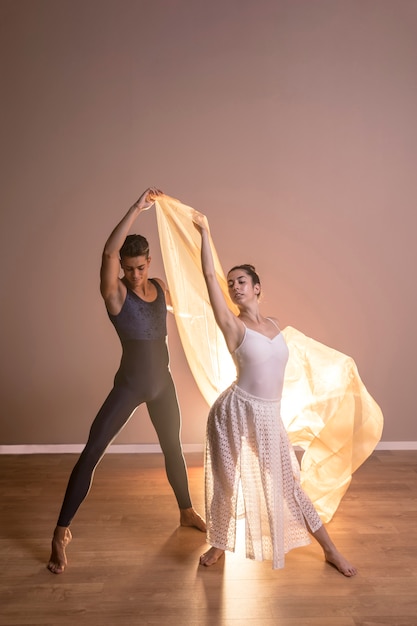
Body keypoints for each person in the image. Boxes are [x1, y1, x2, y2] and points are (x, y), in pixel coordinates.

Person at [47, 187, 206, 574]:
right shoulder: (115, 293)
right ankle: (59, 532)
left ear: (149, 262)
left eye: (140, 267)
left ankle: (186, 510)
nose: (134, 275)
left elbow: (181, 308)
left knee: (174, 449)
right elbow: (106, 253)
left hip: (162, 385)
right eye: (128, 268)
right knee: (93, 451)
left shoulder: (160, 287)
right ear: (120, 266)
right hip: (131, 385)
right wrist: (138, 207)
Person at [192, 210, 357, 576]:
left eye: (242, 281)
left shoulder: (276, 326)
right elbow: (208, 276)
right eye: (231, 282)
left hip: (268, 415)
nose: (235, 286)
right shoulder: (232, 326)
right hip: (234, 412)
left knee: (290, 487)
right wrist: (205, 231)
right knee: (226, 481)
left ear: (257, 288)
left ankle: (330, 550)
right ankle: (218, 543)